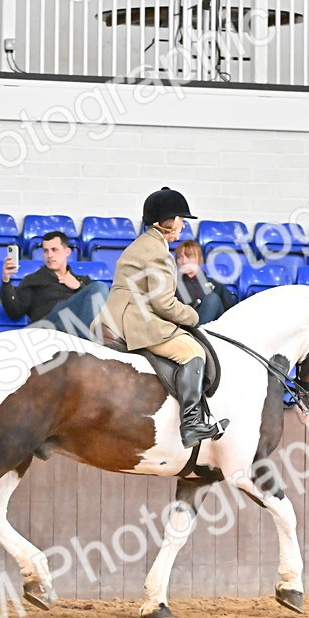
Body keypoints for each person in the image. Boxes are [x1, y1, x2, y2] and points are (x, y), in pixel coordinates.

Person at [101, 187, 228, 448]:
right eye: (180, 219)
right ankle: (191, 424)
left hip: (119, 314)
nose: (183, 225)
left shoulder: (145, 243)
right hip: (133, 320)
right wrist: (192, 316)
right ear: (166, 221)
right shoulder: (158, 251)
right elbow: (163, 303)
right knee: (193, 352)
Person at [0, 231, 109, 336]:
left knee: (100, 290)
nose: (49, 255)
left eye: (54, 250)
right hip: (48, 326)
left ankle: (82, 338)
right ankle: (84, 340)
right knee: (100, 287)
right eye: (45, 251)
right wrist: (6, 280)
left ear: (67, 252)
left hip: (74, 326)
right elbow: (15, 312)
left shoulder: (82, 281)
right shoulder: (33, 279)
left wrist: (78, 287)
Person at [174, 240, 235, 325]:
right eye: (179, 257)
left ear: (199, 258)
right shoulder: (173, 284)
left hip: (210, 328)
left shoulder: (213, 284)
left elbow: (232, 309)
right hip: (185, 326)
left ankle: (200, 330)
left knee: (213, 298)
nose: (184, 261)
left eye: (189, 256)